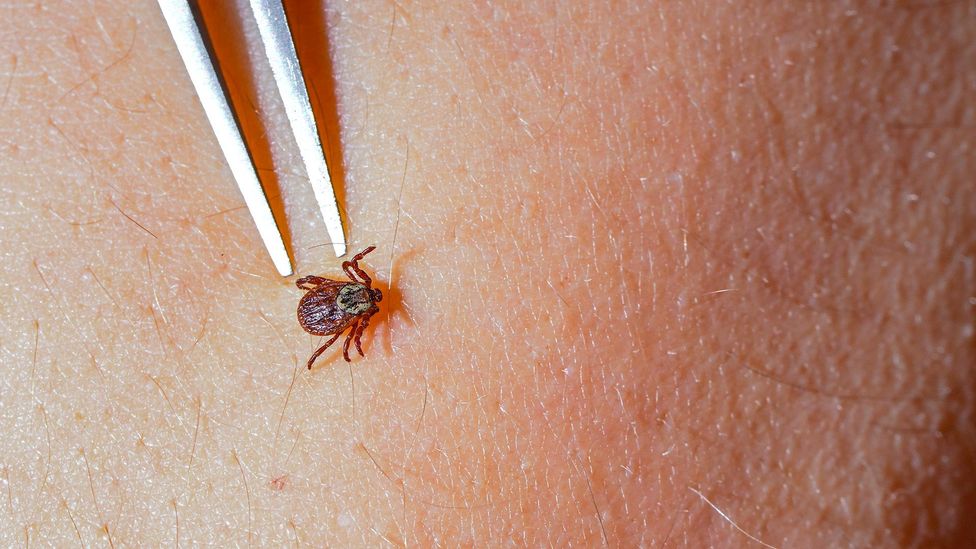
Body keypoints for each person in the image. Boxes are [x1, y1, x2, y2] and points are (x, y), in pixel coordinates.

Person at [1, 1, 972, 546]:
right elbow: (339, 309)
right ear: (347, 298)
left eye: (359, 299)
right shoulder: (351, 308)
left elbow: (331, 303)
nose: (361, 299)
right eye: (357, 298)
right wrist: (347, 321)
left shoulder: (343, 303)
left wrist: (341, 317)